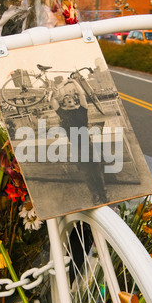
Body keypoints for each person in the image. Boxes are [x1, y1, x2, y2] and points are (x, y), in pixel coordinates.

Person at [50, 74, 108, 205]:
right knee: (87, 174)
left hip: (88, 145)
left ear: (74, 100)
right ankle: (95, 196)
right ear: (63, 103)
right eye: (65, 98)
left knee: (97, 171)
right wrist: (59, 88)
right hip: (76, 147)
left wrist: (73, 81)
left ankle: (103, 195)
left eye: (70, 97)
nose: (68, 98)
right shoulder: (63, 113)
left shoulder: (82, 110)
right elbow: (52, 100)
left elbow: (82, 94)